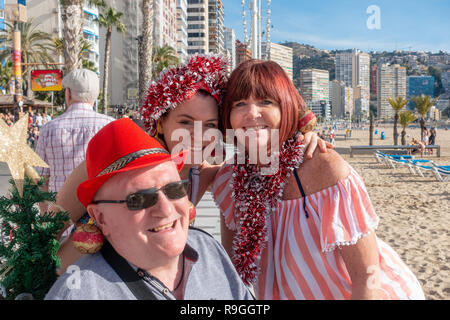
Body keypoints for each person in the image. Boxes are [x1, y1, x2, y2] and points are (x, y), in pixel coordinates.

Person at [51, 54, 329, 275]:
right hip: (79, 278)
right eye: (185, 122)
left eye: (210, 125)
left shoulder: (203, 174)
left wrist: (303, 132)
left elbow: (264, 112)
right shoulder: (115, 162)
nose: (198, 136)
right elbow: (45, 228)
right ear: (160, 122)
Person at [212, 59, 425, 300]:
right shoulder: (230, 181)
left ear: (287, 108)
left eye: (266, 102)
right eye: (240, 104)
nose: (251, 113)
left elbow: (367, 279)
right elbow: (231, 272)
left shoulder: (325, 168)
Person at [45, 118, 254, 300]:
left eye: (174, 189)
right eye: (140, 199)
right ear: (100, 217)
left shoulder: (209, 249)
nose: (165, 208)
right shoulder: (80, 293)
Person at [34, 69, 115, 197]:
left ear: (68, 93)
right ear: (96, 95)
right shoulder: (110, 125)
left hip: (59, 209)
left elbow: (41, 178)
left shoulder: (48, 129)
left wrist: (47, 214)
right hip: (99, 208)